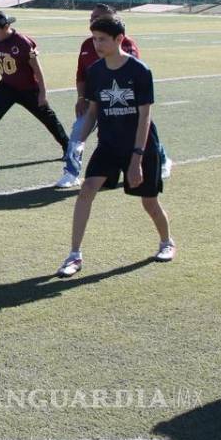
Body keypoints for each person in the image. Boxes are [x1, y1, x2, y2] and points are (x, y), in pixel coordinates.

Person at [56, 15, 175, 277]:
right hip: (108, 144)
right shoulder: (95, 72)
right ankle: (74, 255)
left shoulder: (140, 71)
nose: (97, 44)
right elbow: (93, 113)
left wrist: (136, 160)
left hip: (139, 145)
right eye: (94, 39)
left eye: (102, 39)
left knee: (149, 203)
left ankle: (167, 242)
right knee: (86, 189)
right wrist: (78, 141)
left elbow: (145, 117)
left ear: (119, 39)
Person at [58, 5, 171, 188]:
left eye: (97, 17)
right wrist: (81, 98)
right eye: (91, 16)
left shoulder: (126, 45)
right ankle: (71, 172)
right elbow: (81, 74)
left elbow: (129, 74)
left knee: (146, 131)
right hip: (96, 100)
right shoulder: (87, 45)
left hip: (125, 103)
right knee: (78, 131)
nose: (92, 20)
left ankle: (162, 159)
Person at [0, 12, 70, 167]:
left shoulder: (22, 43)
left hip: (28, 88)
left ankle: (68, 147)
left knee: (47, 117)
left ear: (6, 27)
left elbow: (37, 69)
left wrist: (43, 93)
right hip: (7, 86)